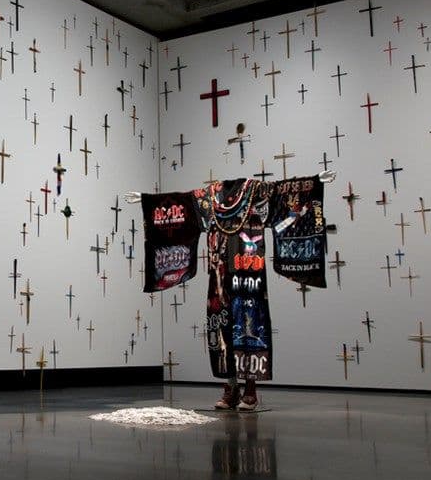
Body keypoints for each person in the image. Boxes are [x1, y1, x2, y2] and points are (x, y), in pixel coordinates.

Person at [127, 171, 335, 410]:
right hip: (219, 275)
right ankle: (231, 387)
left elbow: (282, 194)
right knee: (221, 328)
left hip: (249, 274)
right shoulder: (209, 197)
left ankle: (250, 388)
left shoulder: (256, 192)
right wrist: (148, 200)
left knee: (250, 327)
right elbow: (182, 205)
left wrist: (315, 182)